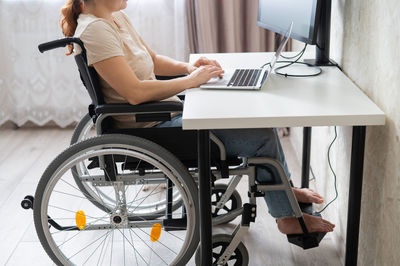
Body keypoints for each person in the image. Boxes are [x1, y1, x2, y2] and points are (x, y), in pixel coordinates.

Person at [60, 0, 335, 235]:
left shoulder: (114, 17)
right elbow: (133, 92)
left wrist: (189, 68)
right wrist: (191, 81)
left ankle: (284, 191)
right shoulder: (95, 29)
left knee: (250, 114)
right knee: (261, 135)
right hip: (150, 126)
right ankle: (287, 217)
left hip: (161, 109)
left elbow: (152, 60)